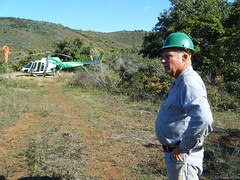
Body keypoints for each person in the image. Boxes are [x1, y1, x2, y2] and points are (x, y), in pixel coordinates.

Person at [155, 32, 213, 179]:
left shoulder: (189, 82)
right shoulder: (179, 80)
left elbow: (204, 119)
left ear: (185, 57)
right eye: (163, 57)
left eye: (168, 56)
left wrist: (183, 147)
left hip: (183, 158)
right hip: (178, 157)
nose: (163, 61)